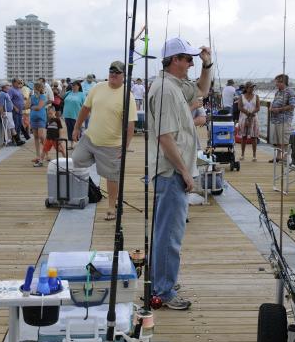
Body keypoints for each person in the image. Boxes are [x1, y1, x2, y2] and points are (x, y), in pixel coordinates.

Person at [147, 37, 212, 310]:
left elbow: (201, 92)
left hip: (174, 170)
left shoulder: (175, 85)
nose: (191, 63)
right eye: (188, 59)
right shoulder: (164, 90)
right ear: (175, 60)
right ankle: (163, 291)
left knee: (168, 232)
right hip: (170, 171)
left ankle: (162, 282)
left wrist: (208, 65)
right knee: (169, 235)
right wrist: (185, 172)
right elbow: (165, 137)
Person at [72, 61, 137, 219]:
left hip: (112, 145)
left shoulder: (128, 95)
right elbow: (85, 108)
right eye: (111, 71)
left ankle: (111, 207)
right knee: (76, 159)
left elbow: (130, 125)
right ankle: (93, 185)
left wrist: (125, 147)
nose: (113, 74)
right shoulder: (98, 87)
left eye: (117, 72)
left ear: (124, 76)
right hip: (90, 138)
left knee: (112, 177)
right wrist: (76, 127)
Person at [268, 74, 295, 163]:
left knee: (284, 140)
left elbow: (292, 105)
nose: (276, 84)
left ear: (283, 82)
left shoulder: (290, 92)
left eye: (277, 82)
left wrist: (279, 109)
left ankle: (284, 158)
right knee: (277, 140)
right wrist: (271, 108)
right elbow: (275, 102)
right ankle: (278, 157)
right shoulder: (278, 92)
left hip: (284, 120)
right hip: (275, 120)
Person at [237, 81, 261, 161]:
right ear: (246, 88)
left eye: (253, 87)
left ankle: (254, 155)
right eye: (251, 87)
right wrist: (247, 113)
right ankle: (242, 154)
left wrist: (252, 113)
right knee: (244, 137)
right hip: (244, 118)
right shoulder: (241, 96)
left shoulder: (256, 96)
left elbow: (258, 107)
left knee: (254, 137)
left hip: (254, 118)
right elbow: (239, 107)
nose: (252, 89)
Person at [29, 81, 47, 166]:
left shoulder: (43, 96)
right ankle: (38, 156)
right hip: (33, 118)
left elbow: (39, 107)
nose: (34, 89)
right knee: (35, 137)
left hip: (41, 118)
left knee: (41, 136)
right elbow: (26, 105)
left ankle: (46, 153)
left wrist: (32, 107)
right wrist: (29, 98)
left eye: (35, 88)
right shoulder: (32, 96)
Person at [0, 81, 21, 146]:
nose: (9, 86)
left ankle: (14, 140)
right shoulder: (2, 94)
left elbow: (9, 102)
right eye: (8, 85)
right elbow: (0, 105)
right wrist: (2, 113)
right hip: (6, 112)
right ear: (4, 86)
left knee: (11, 126)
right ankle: (17, 141)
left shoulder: (6, 93)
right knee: (11, 127)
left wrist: (14, 108)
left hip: (9, 112)